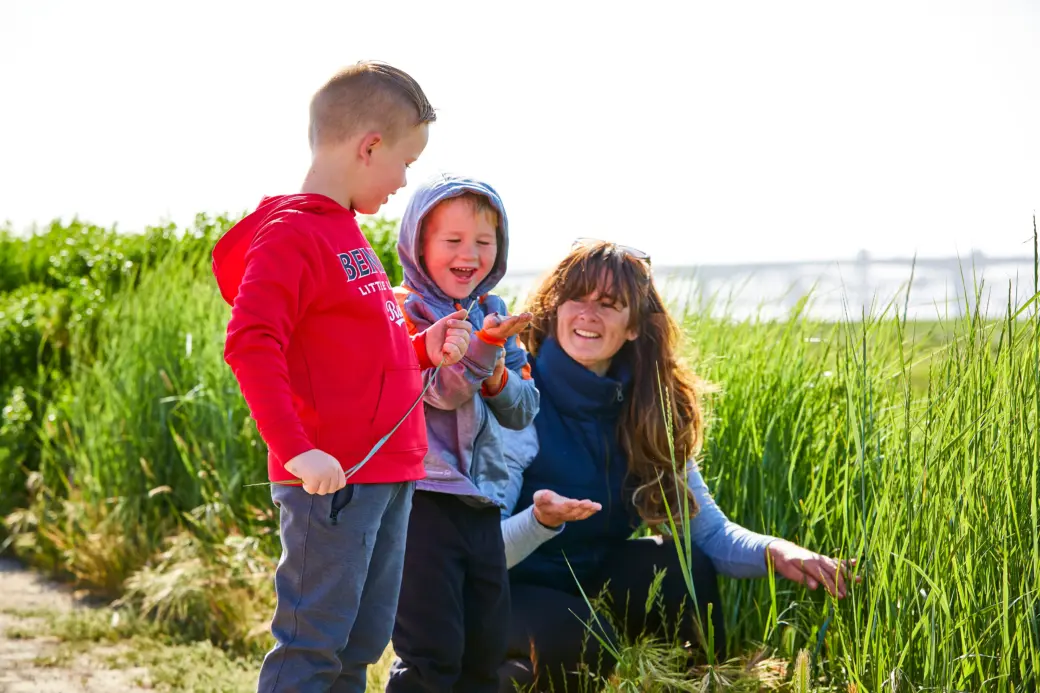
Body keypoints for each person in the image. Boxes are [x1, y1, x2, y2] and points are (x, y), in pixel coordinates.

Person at [211, 62, 474, 693]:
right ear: (369, 146)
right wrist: (296, 448)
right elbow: (252, 342)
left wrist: (420, 348)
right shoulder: (293, 234)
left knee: (360, 644)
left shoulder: (346, 230)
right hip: (334, 483)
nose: (404, 180)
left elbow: (355, 354)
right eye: (405, 162)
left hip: (387, 471)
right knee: (313, 646)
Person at [496, 239, 857, 692]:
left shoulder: (648, 409)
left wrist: (778, 553)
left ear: (633, 328)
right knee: (588, 643)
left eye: (609, 304)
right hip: (498, 592)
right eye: (578, 298)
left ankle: (706, 682)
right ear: (554, 309)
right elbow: (478, 548)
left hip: (582, 590)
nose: (589, 314)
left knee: (678, 562)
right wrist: (539, 521)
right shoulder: (516, 396)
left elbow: (708, 533)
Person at [386, 173, 540, 693]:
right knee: (432, 652)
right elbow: (437, 392)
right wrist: (481, 350)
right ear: (417, 245)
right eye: (452, 241)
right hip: (421, 500)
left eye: (483, 242)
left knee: (486, 650)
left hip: (481, 501)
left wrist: (496, 371)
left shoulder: (494, 313)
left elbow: (524, 409)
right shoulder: (400, 312)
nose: (469, 254)